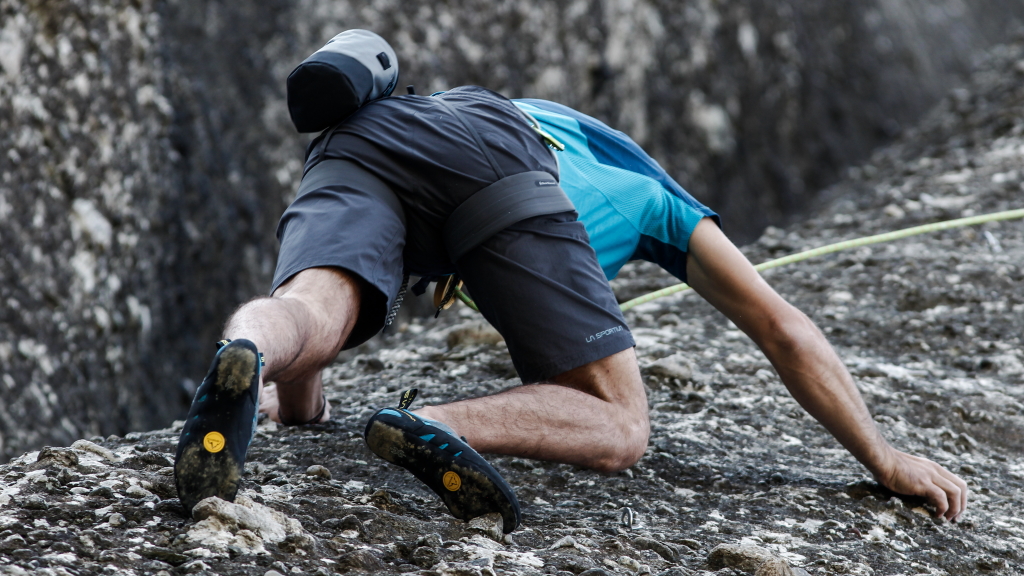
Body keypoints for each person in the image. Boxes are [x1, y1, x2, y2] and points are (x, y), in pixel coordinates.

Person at [173, 35, 968, 533]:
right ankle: (428, 423)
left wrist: (297, 408)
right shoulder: (657, 199)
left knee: (307, 307)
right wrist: (882, 454)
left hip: (369, 132)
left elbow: (329, 326)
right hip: (500, 162)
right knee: (622, 425)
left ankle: (244, 349)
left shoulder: (539, 115)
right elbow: (779, 326)